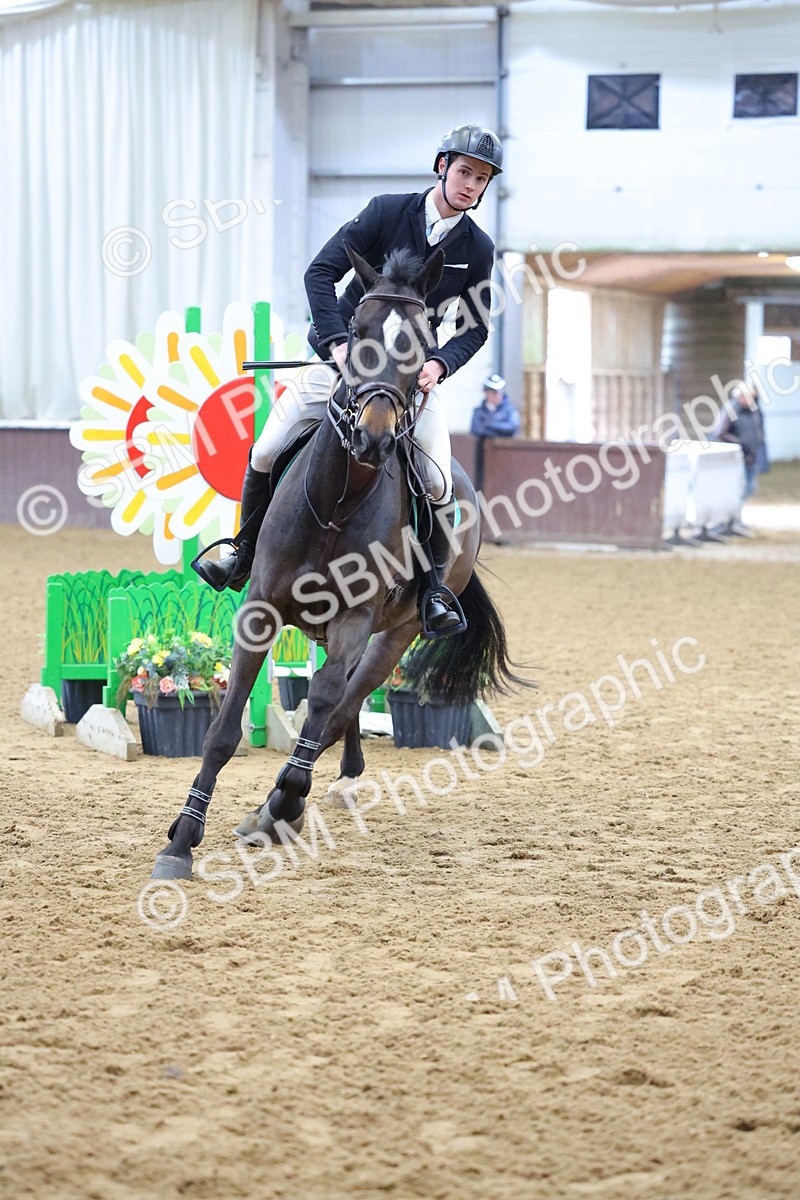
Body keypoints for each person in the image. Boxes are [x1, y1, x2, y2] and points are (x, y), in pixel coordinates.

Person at [200, 124, 503, 636]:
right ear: (441, 167)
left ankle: (432, 592)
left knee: (438, 481)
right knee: (267, 450)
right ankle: (243, 552)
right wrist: (338, 343)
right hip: (343, 362)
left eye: (482, 178)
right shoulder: (386, 211)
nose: (471, 184)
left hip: (409, 381)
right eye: (465, 172)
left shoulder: (477, 247)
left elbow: (474, 324)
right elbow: (320, 273)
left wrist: (440, 364)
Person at [716, 385, 768, 504]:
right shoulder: (731, 410)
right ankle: (734, 517)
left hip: (751, 456)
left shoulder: (753, 411)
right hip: (737, 458)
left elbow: (758, 430)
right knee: (738, 489)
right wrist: (739, 443)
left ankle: (736, 516)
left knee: (749, 488)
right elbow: (720, 432)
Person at [470, 373, 520, 438]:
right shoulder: (479, 412)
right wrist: (497, 432)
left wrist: (489, 424)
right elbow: (476, 429)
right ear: (486, 393)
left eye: (500, 392)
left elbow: (512, 428)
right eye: (494, 392)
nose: (498, 396)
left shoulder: (510, 410)